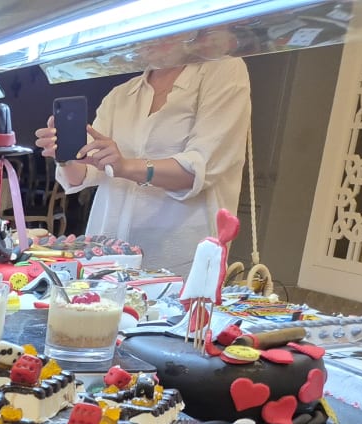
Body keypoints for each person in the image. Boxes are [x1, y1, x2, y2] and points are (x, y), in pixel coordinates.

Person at [34, 56, 250, 276]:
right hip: (107, 251)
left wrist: (125, 166)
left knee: (172, 297)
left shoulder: (223, 70)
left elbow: (199, 169)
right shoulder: (121, 95)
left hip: (177, 254)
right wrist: (65, 156)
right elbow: (82, 174)